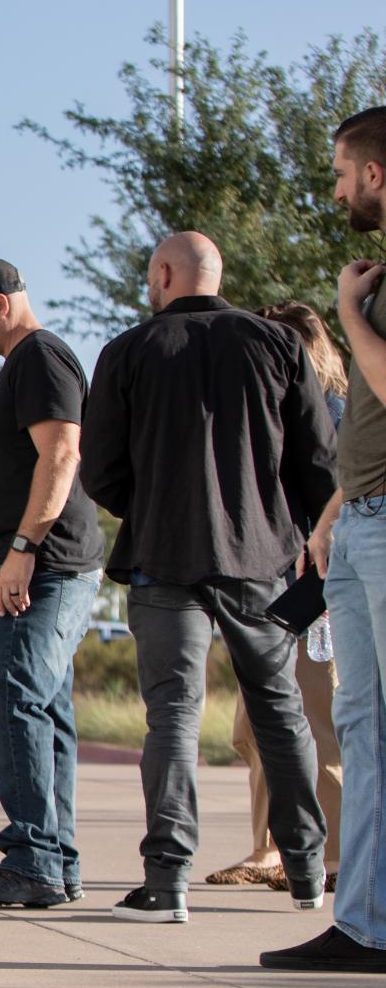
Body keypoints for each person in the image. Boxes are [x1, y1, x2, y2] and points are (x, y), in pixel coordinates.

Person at [81, 231, 335, 926]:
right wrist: (288, 527)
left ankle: (167, 882)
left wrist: (155, 502)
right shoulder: (277, 345)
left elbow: (100, 467)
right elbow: (318, 458)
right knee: (281, 713)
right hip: (261, 561)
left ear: (164, 274)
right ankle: (309, 870)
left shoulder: (128, 351)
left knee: (172, 716)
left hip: (163, 557)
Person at [0, 259, 103, 909]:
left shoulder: (38, 359)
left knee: (14, 701)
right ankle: (53, 861)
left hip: (40, 566)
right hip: (40, 565)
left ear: (2, 305)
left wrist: (23, 549)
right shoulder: (31, 362)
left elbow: (62, 452)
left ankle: (34, 859)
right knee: (42, 709)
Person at [264, 105, 386, 971]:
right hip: (364, 521)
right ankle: (365, 924)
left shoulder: (371, 291)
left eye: (342, 170)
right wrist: (335, 516)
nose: (336, 186)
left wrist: (349, 312)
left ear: (375, 173)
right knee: (362, 726)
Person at [207, 301, 346, 892]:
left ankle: (333, 855)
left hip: (319, 592)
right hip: (270, 589)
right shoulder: (270, 415)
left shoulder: (336, 413)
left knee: (319, 723)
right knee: (255, 725)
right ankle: (272, 848)